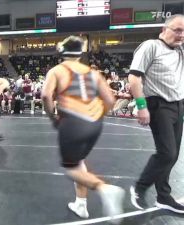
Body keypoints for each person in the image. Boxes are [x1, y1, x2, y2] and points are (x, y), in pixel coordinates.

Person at [41, 36, 125, 223]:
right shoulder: (93, 73)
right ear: (80, 53)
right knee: (79, 163)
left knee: (70, 169)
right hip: (95, 124)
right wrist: (96, 115)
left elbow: (46, 96)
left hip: (72, 122)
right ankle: (81, 204)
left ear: (62, 52)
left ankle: (104, 188)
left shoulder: (57, 70)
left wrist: (53, 117)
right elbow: (110, 101)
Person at [128, 14, 184, 213]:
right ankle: (139, 188)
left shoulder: (180, 51)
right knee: (167, 153)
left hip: (178, 105)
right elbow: (134, 79)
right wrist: (141, 106)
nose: (181, 35)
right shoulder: (151, 46)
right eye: (177, 30)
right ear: (163, 29)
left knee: (174, 154)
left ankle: (163, 196)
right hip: (159, 105)